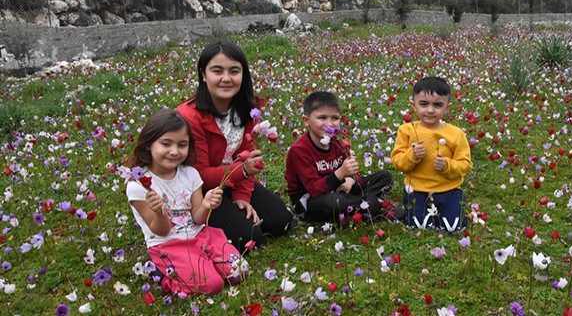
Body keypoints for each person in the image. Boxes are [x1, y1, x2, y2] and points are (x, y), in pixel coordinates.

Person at [177, 38, 292, 253]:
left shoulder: (247, 109)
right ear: (203, 74)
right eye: (217, 71)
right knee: (249, 238)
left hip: (231, 182)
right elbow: (199, 175)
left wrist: (242, 196)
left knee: (281, 221)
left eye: (234, 71)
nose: (226, 79)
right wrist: (243, 171)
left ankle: (232, 209)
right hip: (200, 194)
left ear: (243, 74)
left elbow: (245, 156)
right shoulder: (190, 117)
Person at [124, 109, 245, 295]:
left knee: (239, 272)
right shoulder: (138, 185)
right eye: (166, 144)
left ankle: (199, 267)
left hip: (201, 235)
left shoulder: (190, 174)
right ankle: (166, 278)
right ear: (148, 144)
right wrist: (159, 212)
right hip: (168, 244)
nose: (174, 151)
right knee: (213, 285)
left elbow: (197, 218)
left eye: (182, 145)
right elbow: (161, 230)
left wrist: (205, 205)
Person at [285, 91, 393, 222]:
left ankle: (362, 208)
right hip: (311, 199)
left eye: (335, 118)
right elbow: (314, 189)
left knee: (385, 177)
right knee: (332, 202)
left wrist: (352, 179)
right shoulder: (300, 149)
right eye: (322, 118)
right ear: (306, 121)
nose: (329, 124)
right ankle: (372, 206)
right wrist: (340, 174)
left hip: (339, 189)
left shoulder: (338, 142)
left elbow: (355, 173)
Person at [390, 77, 472, 231]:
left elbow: (465, 164)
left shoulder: (455, 133)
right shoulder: (407, 130)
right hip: (416, 190)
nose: (430, 110)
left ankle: (452, 205)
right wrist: (412, 155)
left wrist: (447, 165)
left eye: (438, 105)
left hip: (449, 189)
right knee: (419, 226)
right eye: (423, 104)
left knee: (453, 227)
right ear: (414, 105)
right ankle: (410, 210)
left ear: (447, 107)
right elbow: (397, 161)